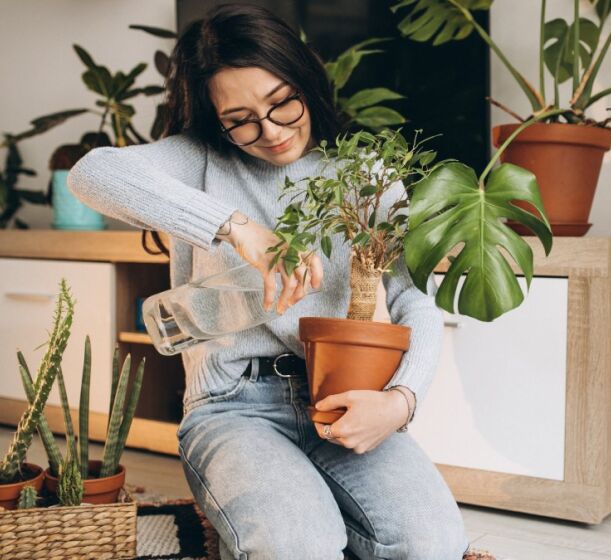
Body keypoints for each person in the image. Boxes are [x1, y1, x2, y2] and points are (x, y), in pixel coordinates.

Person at [67, 4, 469, 559]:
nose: (272, 132)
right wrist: (235, 228)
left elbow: (410, 299)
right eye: (242, 119)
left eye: (283, 103)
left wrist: (401, 402)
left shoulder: (364, 173)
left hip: (345, 397)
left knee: (433, 544)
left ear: (306, 79)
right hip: (233, 404)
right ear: (216, 118)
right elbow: (92, 174)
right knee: (296, 544)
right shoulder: (198, 161)